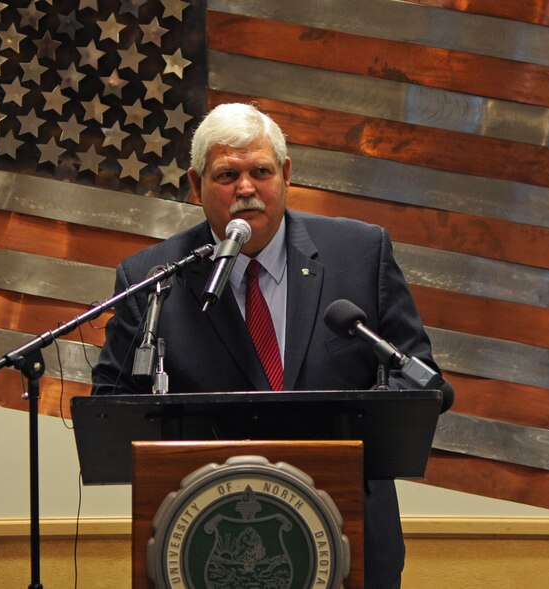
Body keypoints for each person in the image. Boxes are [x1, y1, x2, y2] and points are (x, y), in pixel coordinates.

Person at [92, 102, 450, 589]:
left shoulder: (361, 254)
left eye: (260, 171)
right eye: (227, 175)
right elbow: (112, 409)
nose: (246, 189)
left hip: (351, 541)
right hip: (204, 544)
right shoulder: (153, 278)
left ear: (284, 175)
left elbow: (419, 376)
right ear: (196, 186)